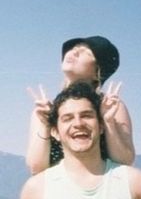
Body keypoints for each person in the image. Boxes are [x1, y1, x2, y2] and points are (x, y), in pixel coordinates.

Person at [26, 35, 134, 174]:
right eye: (73, 49)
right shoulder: (44, 110)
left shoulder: (111, 107)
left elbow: (125, 162)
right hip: (59, 192)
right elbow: (36, 167)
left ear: (98, 73)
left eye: (86, 52)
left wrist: (108, 122)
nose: (74, 52)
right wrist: (46, 125)